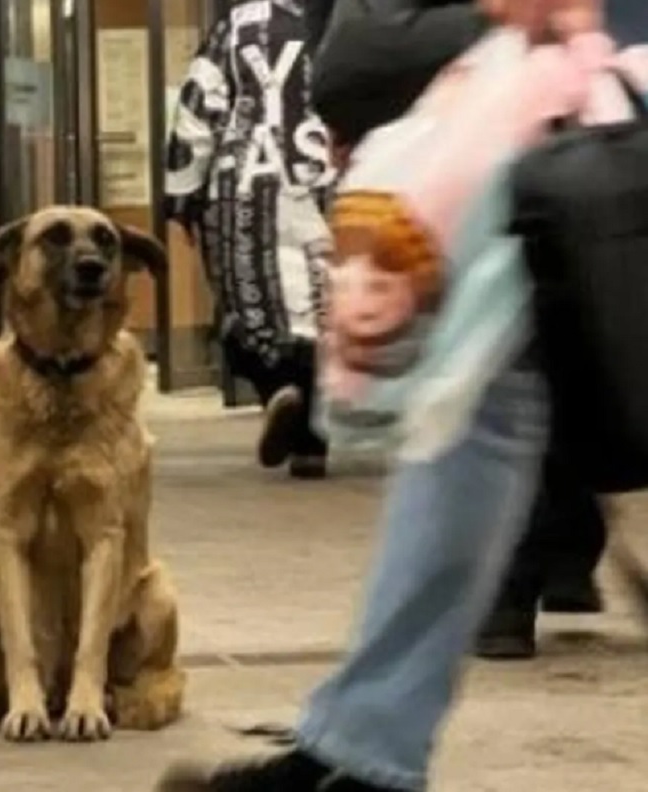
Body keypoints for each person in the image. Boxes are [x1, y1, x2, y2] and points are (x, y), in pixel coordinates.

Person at [156, 0, 606, 790]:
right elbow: (351, 68)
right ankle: (364, 747)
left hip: (575, 118)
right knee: (472, 416)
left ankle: (364, 748)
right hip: (555, 137)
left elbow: (355, 64)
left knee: (479, 417)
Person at [165, 0, 336, 480]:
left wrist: (182, 197)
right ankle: (311, 442)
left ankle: (277, 390)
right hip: (323, 174)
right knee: (322, 311)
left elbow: (198, 108)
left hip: (243, 186)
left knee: (249, 309)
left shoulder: (240, 25)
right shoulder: (348, 20)